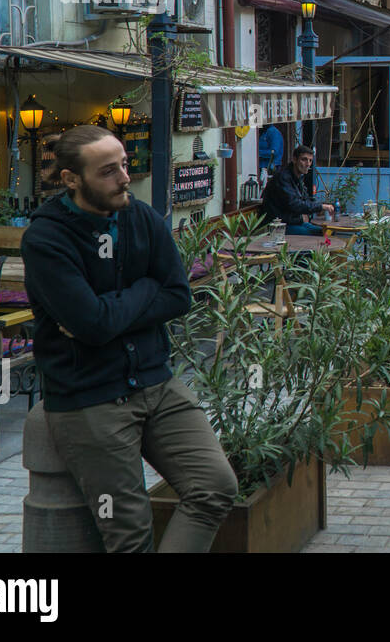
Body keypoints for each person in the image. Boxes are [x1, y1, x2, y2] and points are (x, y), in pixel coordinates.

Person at [21, 125, 237, 552]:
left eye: (124, 164)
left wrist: (110, 308)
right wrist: (143, 291)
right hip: (90, 399)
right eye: (108, 171)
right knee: (128, 533)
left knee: (215, 486)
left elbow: (177, 295)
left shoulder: (141, 217)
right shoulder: (47, 239)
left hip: (157, 383)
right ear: (71, 180)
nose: (124, 177)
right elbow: (93, 325)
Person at [262, 145, 335, 236]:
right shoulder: (283, 177)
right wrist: (320, 207)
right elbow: (294, 204)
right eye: (304, 159)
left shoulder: (297, 178)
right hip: (279, 226)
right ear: (295, 159)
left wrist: (323, 205)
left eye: (310, 160)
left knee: (329, 232)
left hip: (293, 222)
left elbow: (306, 199)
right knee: (321, 234)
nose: (308, 164)